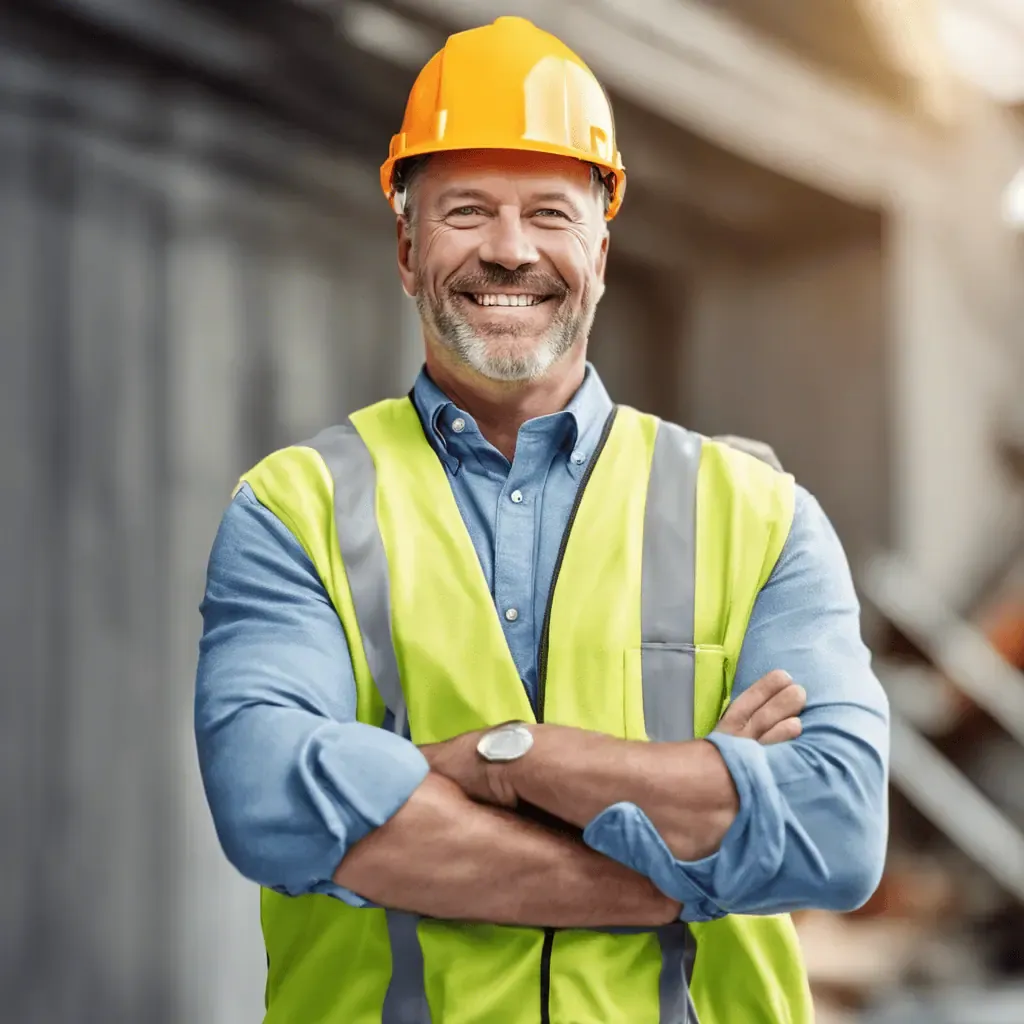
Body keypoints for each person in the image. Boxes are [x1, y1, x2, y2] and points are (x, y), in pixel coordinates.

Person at [195, 16, 889, 1024]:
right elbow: (271, 800)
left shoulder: (758, 516)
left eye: (549, 214)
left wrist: (490, 759)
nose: (510, 251)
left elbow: (835, 829)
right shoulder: (293, 511)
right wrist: (680, 864)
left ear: (600, 249)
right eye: (467, 210)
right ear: (405, 243)